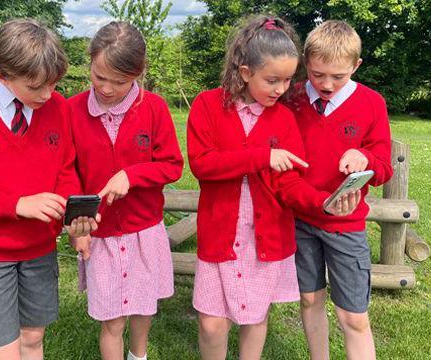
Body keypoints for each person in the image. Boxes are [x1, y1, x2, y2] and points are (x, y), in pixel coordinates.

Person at [187, 15, 358, 360]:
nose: (282, 89)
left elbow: (290, 184)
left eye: (287, 79)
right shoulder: (207, 106)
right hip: (221, 235)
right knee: (212, 325)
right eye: (272, 80)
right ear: (246, 71)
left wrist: (323, 202)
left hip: (265, 238)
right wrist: (261, 156)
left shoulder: (283, 118)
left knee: (255, 317)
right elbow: (203, 165)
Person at [0, 18, 97, 360]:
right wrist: (17, 205)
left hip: (39, 249)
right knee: (3, 351)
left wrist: (75, 219)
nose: (48, 95)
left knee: (33, 339)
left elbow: (66, 171)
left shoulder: (56, 108)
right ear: (4, 73)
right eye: (36, 86)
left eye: (53, 84)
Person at [67, 21, 184, 360]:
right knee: (112, 318)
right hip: (99, 233)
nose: (106, 88)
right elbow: (68, 173)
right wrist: (78, 226)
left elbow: (172, 165)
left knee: (143, 307)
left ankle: (139, 355)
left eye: (119, 82)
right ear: (89, 62)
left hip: (144, 230)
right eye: (99, 76)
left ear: (138, 72)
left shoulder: (154, 109)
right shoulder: (72, 111)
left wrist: (132, 176)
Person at [285, 20, 393, 360]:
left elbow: (384, 167)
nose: (327, 84)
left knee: (354, 316)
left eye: (338, 76)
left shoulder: (372, 103)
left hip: (346, 227)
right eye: (317, 74)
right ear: (305, 62)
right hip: (300, 220)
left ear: (356, 66)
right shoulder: (293, 99)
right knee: (309, 299)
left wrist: (365, 156)